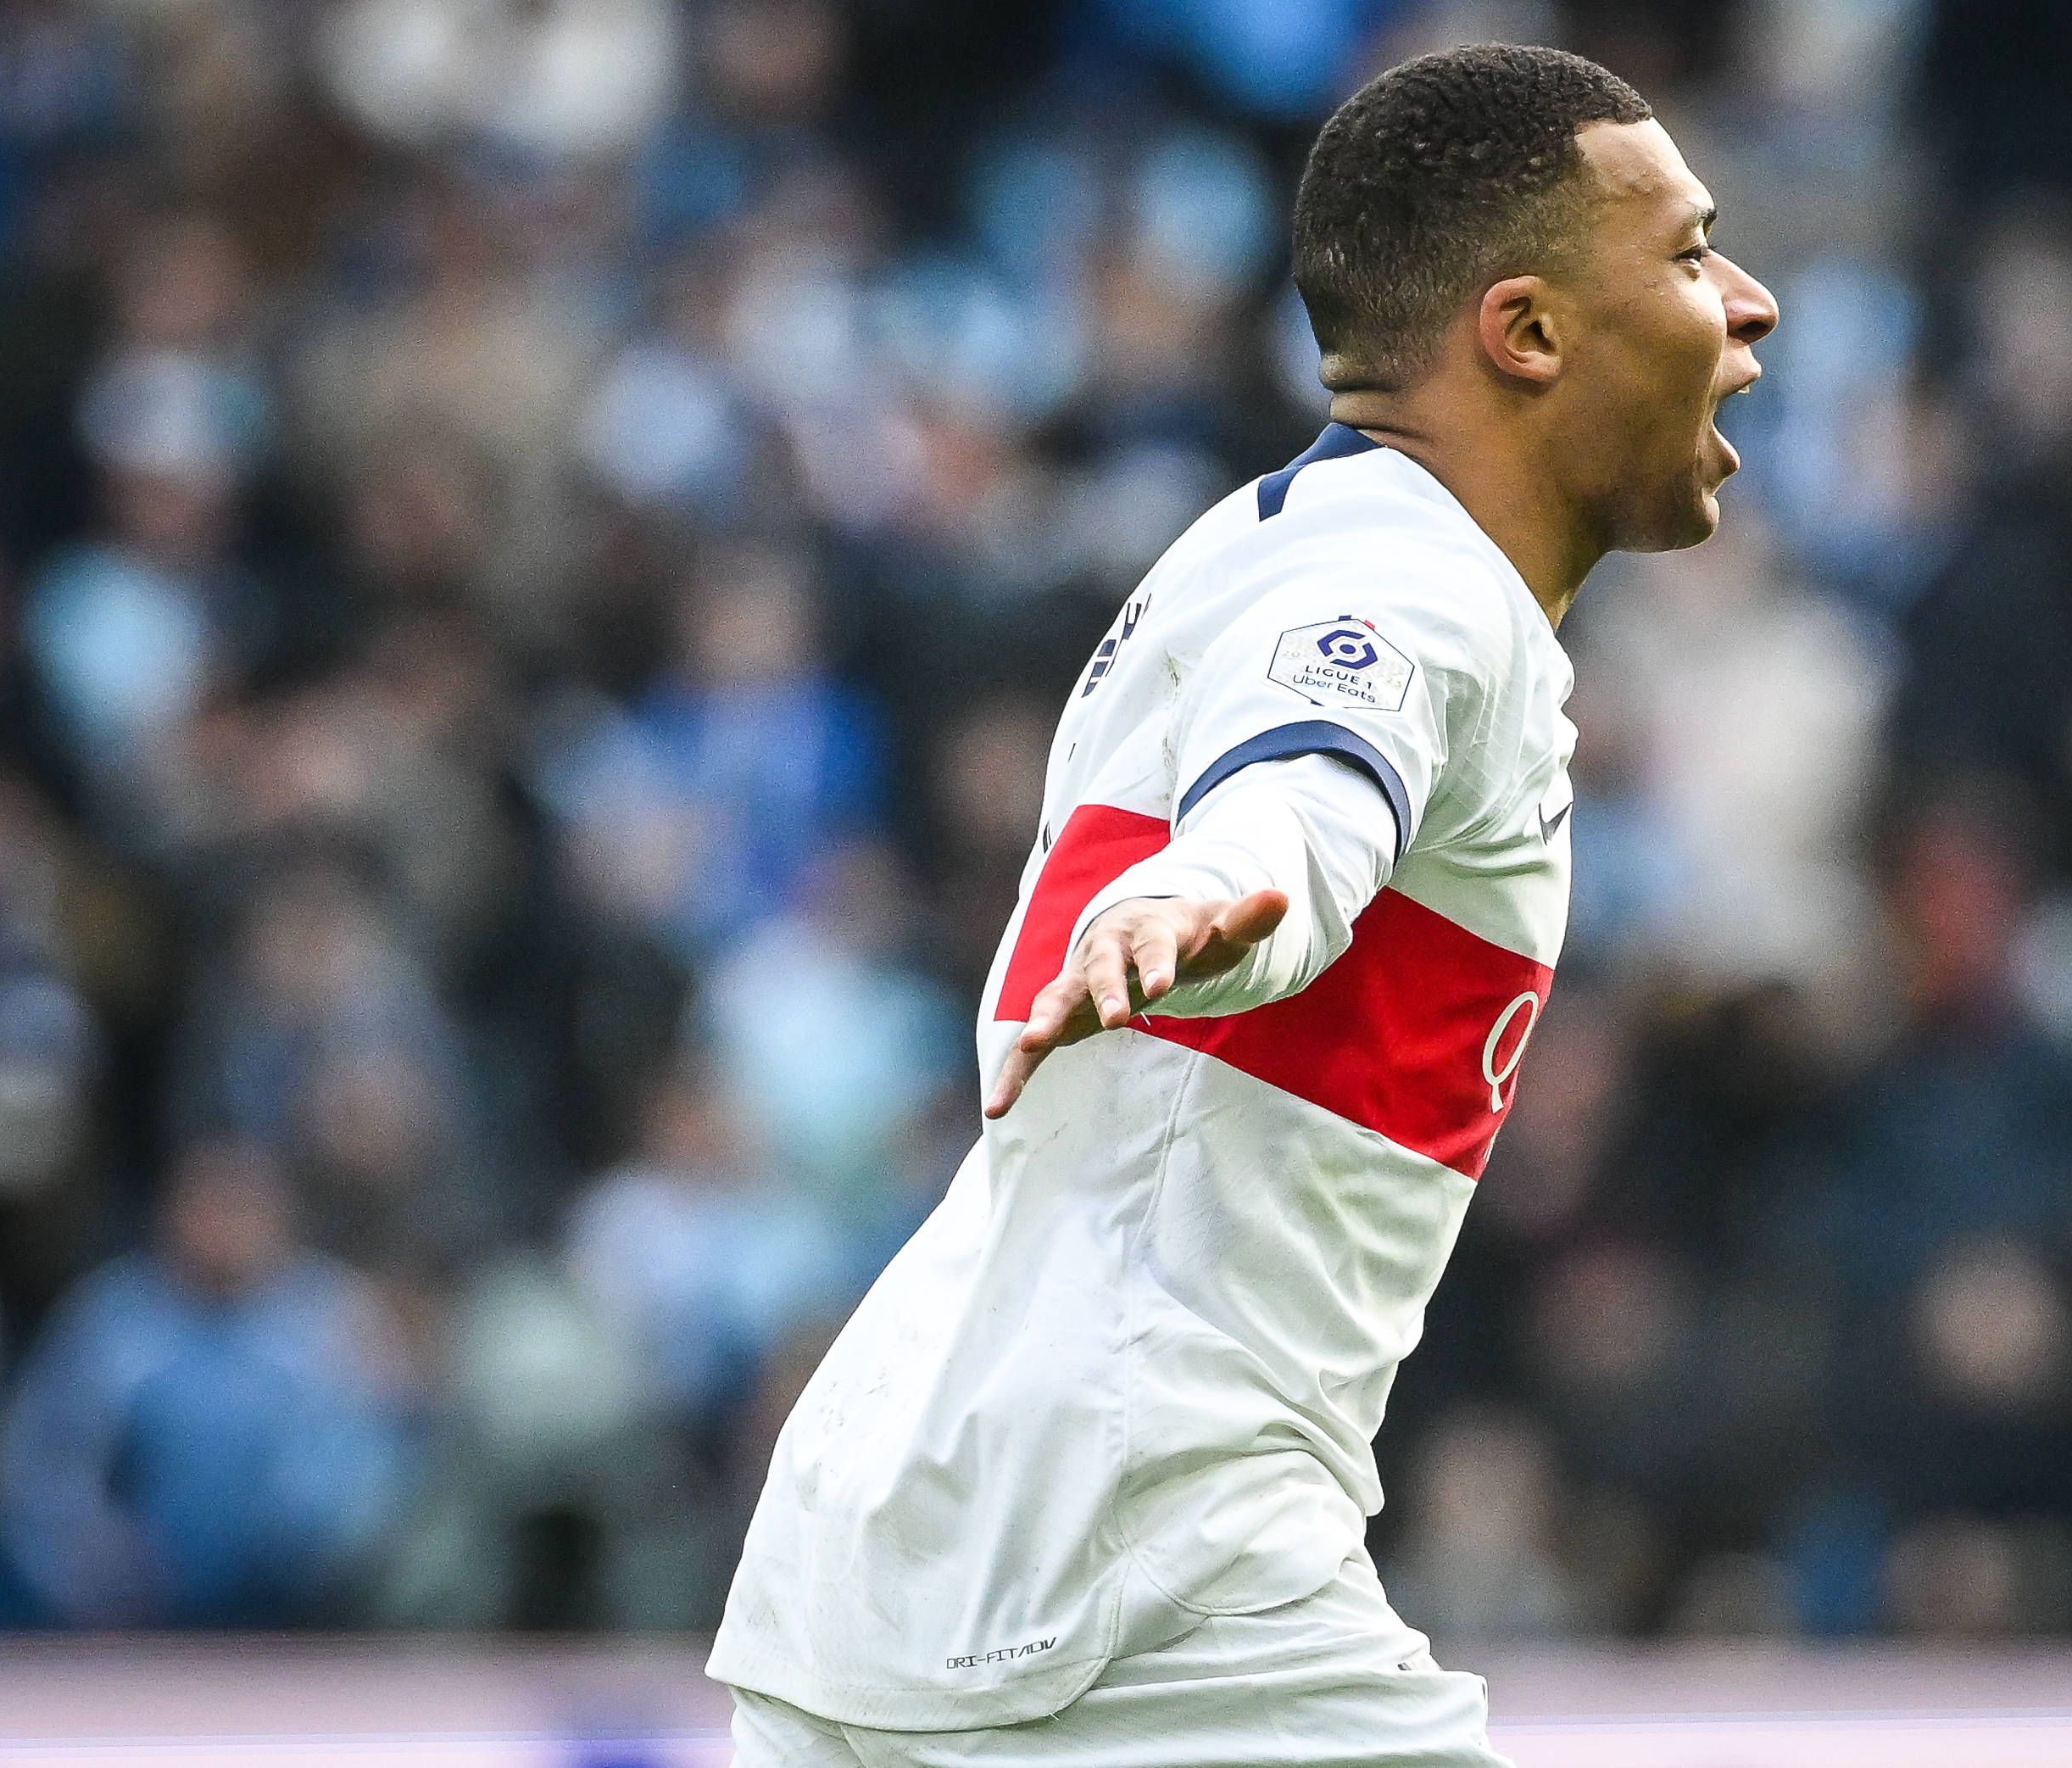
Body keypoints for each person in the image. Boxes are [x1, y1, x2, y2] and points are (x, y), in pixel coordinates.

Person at [712, 42, 1776, 1766]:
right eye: (1685, 253)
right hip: (1131, 1571)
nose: (1751, 302)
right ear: (1524, 332)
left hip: (936, 1525)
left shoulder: (1270, 544)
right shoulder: (1406, 580)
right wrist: (1227, 890)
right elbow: (1303, 787)